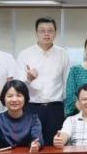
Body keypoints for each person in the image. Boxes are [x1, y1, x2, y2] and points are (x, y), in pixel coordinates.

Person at [17, 17, 71, 146]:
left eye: (50, 30)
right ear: (36, 33)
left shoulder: (63, 54)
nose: (46, 34)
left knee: (55, 146)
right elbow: (18, 87)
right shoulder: (25, 54)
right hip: (32, 108)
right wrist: (28, 79)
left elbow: (66, 83)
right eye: (42, 31)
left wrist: (66, 109)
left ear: (55, 33)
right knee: (32, 144)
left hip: (55, 108)